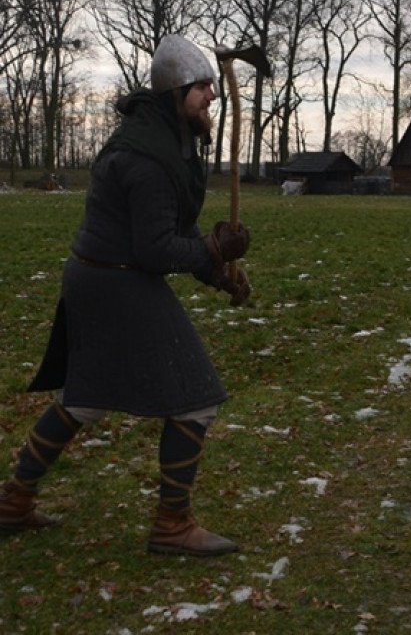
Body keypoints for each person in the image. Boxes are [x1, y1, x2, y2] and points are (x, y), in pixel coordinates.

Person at [0, 34, 251, 556]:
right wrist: (210, 249)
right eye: (201, 87)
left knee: (85, 397)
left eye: (211, 85)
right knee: (197, 397)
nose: (211, 95)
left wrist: (219, 271)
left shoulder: (166, 140)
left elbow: (166, 234)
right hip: (117, 282)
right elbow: (158, 249)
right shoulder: (147, 157)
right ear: (173, 92)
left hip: (102, 275)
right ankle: (172, 525)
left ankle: (12, 503)